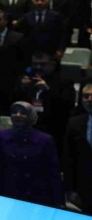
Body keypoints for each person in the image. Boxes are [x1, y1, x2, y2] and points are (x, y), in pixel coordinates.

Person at [0, 101, 64, 208]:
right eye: (14, 112)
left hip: (36, 195)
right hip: (10, 192)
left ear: (31, 117)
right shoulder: (3, 135)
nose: (18, 115)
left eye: (23, 113)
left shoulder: (44, 139)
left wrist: (58, 200)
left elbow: (52, 172)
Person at [63, 83, 92, 214]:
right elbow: (69, 158)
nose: (89, 99)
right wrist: (70, 188)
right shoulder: (75, 123)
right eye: (86, 96)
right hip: (84, 187)